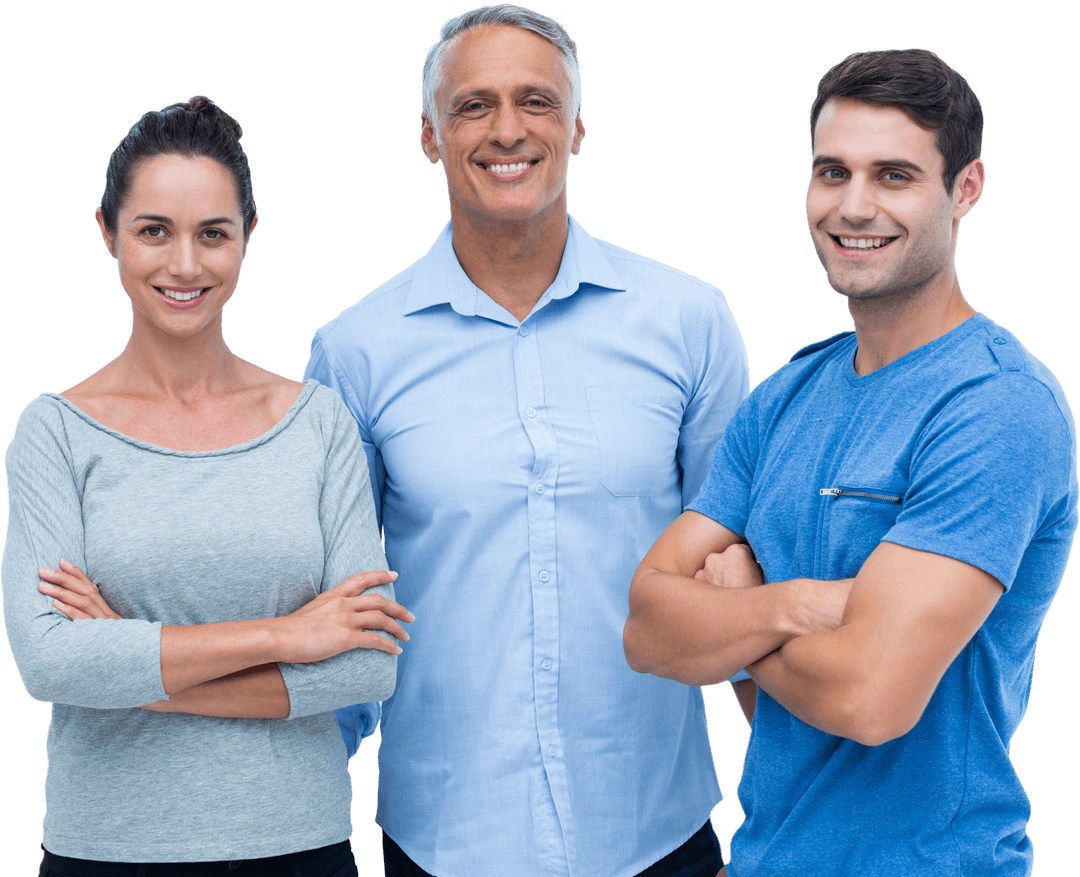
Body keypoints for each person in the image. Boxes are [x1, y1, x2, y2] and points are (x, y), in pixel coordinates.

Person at [303, 5, 749, 876]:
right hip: (444, 841)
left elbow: (740, 570)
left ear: (576, 129)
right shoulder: (353, 350)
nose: (507, 129)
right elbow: (341, 607)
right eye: (473, 105)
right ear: (430, 137)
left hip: (655, 836)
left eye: (536, 101)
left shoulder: (690, 322)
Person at [623, 48, 1077, 877]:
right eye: (833, 171)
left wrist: (736, 614)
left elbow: (869, 698)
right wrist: (795, 605)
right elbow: (648, 628)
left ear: (965, 189)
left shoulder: (995, 408)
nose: (854, 206)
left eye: (894, 175)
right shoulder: (782, 399)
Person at [1, 97, 413, 875]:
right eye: (154, 230)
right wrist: (282, 635)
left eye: (212, 234)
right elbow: (50, 661)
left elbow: (367, 664)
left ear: (248, 238)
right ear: (107, 233)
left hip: (299, 848)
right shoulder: (55, 432)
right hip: (107, 853)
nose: (184, 265)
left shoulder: (318, 424)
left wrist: (131, 667)